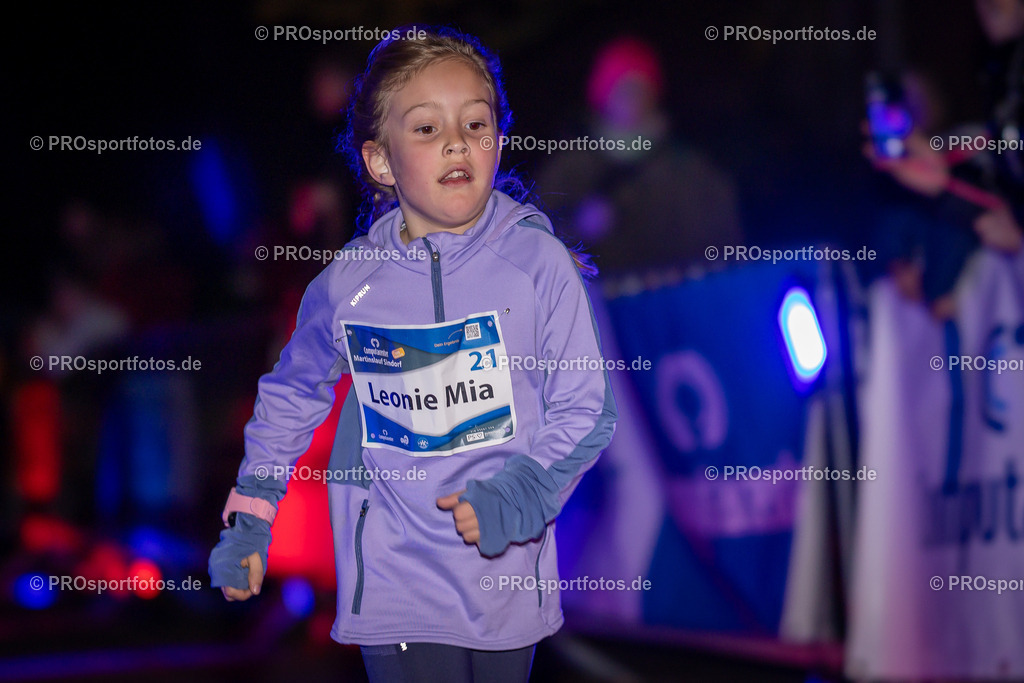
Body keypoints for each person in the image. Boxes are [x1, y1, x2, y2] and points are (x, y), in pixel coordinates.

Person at [208, 26, 617, 683]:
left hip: (504, 587)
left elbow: (587, 411)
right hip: (393, 589)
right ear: (380, 163)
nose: (458, 142)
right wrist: (251, 518)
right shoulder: (350, 284)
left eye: (476, 123)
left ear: (498, 141)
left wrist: (517, 496)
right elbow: (291, 393)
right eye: (427, 128)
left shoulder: (537, 263)